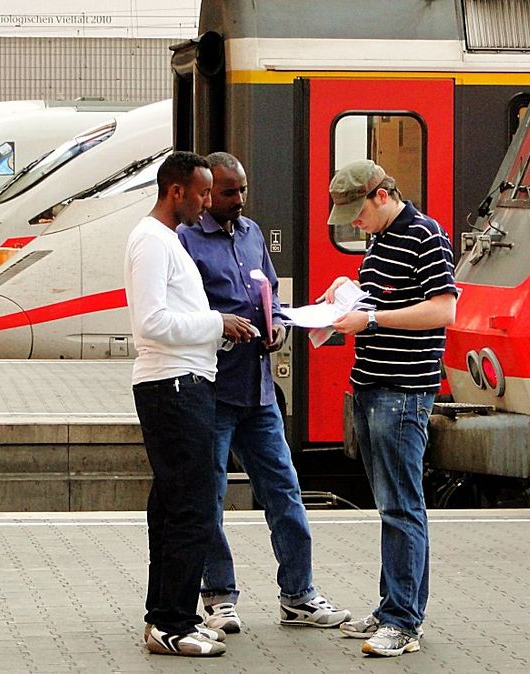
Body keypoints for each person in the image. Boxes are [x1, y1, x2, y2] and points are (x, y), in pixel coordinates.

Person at [177, 152, 351, 633]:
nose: (240, 201)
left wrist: (280, 325)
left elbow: (268, 293)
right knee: (209, 498)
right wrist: (221, 327)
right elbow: (181, 314)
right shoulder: (185, 241)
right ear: (207, 194)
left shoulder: (253, 235)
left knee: (285, 493)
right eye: (229, 193)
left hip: (258, 391)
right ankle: (218, 594)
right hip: (212, 388)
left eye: (243, 191)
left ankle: (298, 595)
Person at [320, 160, 457, 657]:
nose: (354, 223)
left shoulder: (426, 236)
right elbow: (382, 301)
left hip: (404, 391)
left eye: (357, 212)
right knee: (391, 504)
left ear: (381, 195)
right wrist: (343, 298)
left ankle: (403, 622)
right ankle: (391, 609)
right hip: (371, 385)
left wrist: (371, 318)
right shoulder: (380, 240)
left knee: (401, 506)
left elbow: (444, 309)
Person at [124, 151, 254, 657]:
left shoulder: (167, 241)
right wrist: (217, 323)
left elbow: (176, 320)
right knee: (192, 508)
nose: (207, 201)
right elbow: (151, 324)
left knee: (175, 506)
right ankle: (172, 624)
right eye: (202, 192)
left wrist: (219, 332)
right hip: (173, 388)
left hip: (183, 382)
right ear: (175, 191)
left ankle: (166, 617)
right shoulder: (153, 242)